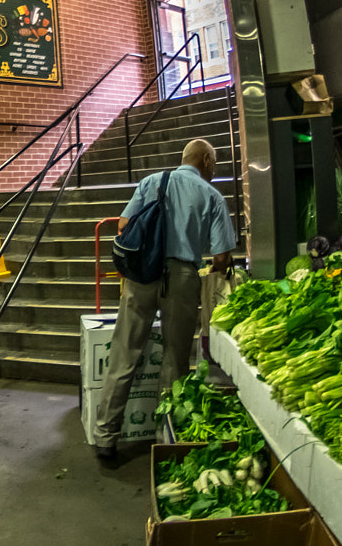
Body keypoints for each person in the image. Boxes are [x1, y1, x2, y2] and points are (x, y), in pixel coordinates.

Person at [93, 138, 236, 464]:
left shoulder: (151, 182)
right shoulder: (211, 196)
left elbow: (124, 224)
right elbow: (222, 257)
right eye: (213, 162)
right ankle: (165, 440)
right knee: (174, 360)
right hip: (183, 279)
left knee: (123, 354)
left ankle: (105, 437)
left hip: (142, 274)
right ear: (206, 160)